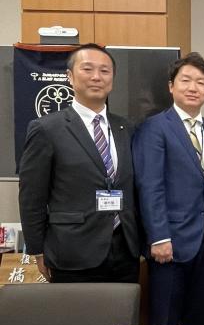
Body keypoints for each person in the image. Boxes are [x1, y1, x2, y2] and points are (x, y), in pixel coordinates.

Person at [18, 44, 141, 283]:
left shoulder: (126, 128)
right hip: (71, 250)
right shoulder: (46, 129)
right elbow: (31, 195)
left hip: (125, 249)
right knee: (77, 320)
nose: (96, 77)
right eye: (87, 69)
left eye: (104, 71)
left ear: (112, 80)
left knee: (123, 318)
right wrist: (37, 249)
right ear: (70, 77)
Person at [132, 53, 204, 325]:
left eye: (201, 82)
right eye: (186, 80)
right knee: (166, 324)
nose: (193, 87)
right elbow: (150, 186)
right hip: (169, 244)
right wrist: (159, 237)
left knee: (199, 320)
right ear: (171, 86)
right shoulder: (154, 128)